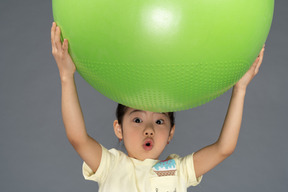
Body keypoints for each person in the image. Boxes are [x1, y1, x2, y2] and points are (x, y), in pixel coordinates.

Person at [51, 21, 265, 192]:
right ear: (119, 129)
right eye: (137, 119)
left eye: (160, 121)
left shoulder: (178, 171)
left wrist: (240, 89)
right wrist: (66, 76)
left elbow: (223, 149)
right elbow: (77, 138)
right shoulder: (110, 166)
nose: (149, 129)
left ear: (171, 132)